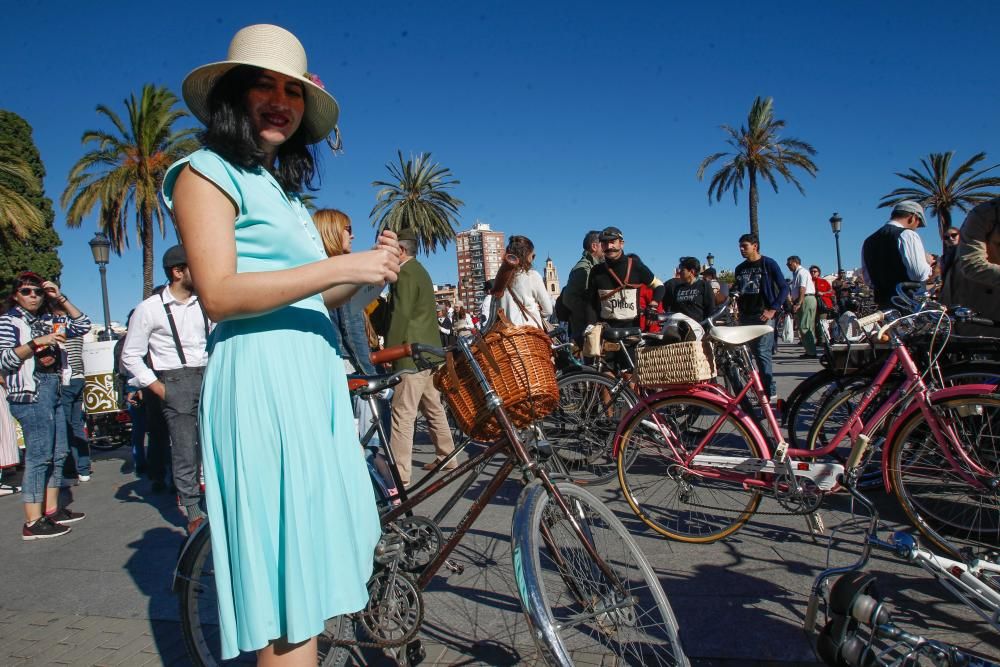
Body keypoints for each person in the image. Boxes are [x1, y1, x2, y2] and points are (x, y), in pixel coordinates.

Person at [162, 24, 399, 663]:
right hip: (265, 382)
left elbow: (303, 296)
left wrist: (367, 273)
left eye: (292, 90)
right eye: (263, 84)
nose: (280, 100)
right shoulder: (202, 172)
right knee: (289, 601)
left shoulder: (280, 189)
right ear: (232, 95)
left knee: (311, 583)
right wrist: (339, 267)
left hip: (309, 380)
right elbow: (219, 293)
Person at [121, 245, 212, 531]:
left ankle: (218, 502)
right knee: (184, 449)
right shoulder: (150, 309)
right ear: (177, 271)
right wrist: (158, 387)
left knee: (214, 444)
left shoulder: (207, 301)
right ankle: (193, 512)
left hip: (211, 374)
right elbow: (129, 354)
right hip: (174, 380)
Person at [0, 272, 91, 540]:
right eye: (27, 291)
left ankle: (51, 510)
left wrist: (60, 297)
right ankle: (32, 521)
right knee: (40, 456)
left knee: (59, 452)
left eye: (38, 292)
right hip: (30, 392)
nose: (33, 296)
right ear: (16, 294)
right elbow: (3, 360)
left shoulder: (49, 319)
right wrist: (35, 343)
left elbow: (82, 324)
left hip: (53, 388)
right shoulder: (8, 321)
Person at [385, 228, 457, 485]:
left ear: (401, 250)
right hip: (430, 353)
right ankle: (447, 456)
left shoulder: (404, 274)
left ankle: (400, 475)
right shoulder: (422, 272)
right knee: (433, 407)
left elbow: (399, 316)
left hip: (410, 353)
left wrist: (387, 353)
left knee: (402, 414)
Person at [732, 234, 789, 400]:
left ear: (755, 246)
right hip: (745, 316)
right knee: (746, 355)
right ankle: (757, 388)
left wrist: (773, 309)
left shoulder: (768, 263)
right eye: (740, 246)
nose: (741, 249)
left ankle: (769, 391)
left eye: (745, 246)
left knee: (762, 354)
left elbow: (784, 287)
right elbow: (738, 289)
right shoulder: (740, 268)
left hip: (763, 316)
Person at [940, 197, 1000, 335]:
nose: (950, 239)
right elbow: (972, 264)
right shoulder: (984, 215)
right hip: (979, 307)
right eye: (947, 237)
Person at [586, 226, 665, 330]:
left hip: (632, 333)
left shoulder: (636, 266)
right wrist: (592, 326)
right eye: (605, 243)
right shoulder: (596, 271)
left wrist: (653, 305)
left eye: (613, 241)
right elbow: (590, 303)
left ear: (621, 244)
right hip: (606, 333)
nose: (609, 246)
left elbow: (659, 286)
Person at [861, 200, 932, 308]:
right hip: (908, 305)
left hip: (883, 307)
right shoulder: (907, 234)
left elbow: (868, 280)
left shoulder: (868, 241)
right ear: (912, 217)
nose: (917, 227)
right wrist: (928, 263)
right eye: (918, 222)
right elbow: (919, 273)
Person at [50, 303, 91, 482]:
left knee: (64, 426)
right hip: (80, 377)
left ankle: (69, 469)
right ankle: (84, 468)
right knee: (77, 425)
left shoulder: (59, 327)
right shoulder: (75, 328)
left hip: (66, 379)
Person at [497, 235, 554, 329]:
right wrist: (536, 308)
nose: (533, 259)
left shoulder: (500, 278)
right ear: (526, 255)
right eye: (533, 255)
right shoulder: (532, 276)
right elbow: (548, 310)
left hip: (508, 334)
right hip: (530, 333)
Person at [561, 230, 603, 343]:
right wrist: (591, 314)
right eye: (603, 244)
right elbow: (569, 299)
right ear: (594, 246)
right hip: (585, 329)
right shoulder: (583, 269)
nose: (607, 247)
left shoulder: (594, 266)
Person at [664, 257, 715, 323]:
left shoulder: (704, 286)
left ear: (692, 271)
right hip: (679, 328)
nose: (679, 272)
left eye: (682, 270)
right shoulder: (678, 288)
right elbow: (673, 310)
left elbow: (710, 310)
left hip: (698, 328)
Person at [786, 256, 817, 358]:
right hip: (804, 299)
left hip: (806, 299)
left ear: (795, 262)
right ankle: (809, 350)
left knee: (805, 326)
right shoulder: (797, 274)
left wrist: (799, 303)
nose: (788, 266)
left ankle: (811, 352)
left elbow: (802, 288)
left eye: (789, 264)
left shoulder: (802, 272)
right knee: (805, 325)